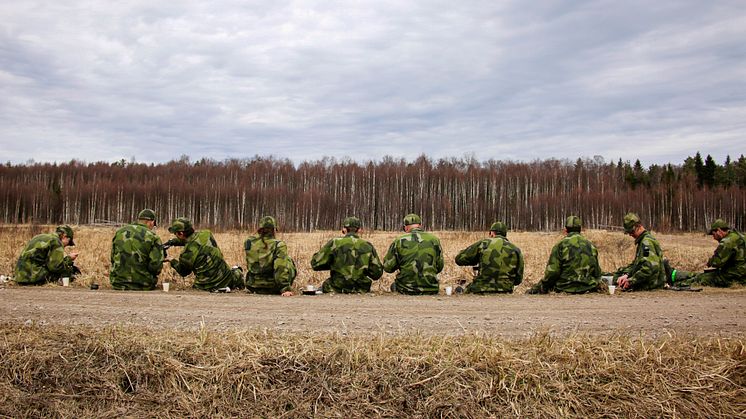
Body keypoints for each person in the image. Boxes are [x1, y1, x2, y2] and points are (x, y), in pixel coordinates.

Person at [527, 216, 602, 294]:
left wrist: (541, 287)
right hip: (588, 288)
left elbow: (552, 273)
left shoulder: (560, 245)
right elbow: (597, 273)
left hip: (564, 288)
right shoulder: (591, 246)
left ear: (565, 230)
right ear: (581, 229)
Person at [166, 217, 244, 291]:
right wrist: (172, 242)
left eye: (175, 233)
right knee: (237, 271)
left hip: (204, 286)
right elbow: (193, 240)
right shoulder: (207, 234)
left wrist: (171, 260)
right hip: (226, 279)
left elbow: (184, 272)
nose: (175, 235)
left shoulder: (186, 254)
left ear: (181, 233)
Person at [310, 216, 384, 293]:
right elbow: (377, 273)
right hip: (361, 288)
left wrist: (332, 264)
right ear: (359, 230)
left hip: (336, 287)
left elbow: (315, 264)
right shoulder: (367, 246)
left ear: (344, 229)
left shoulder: (335, 243)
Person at [455, 221, 524, 293]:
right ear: (505, 234)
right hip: (506, 290)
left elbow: (459, 259)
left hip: (480, 289)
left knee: (460, 290)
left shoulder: (484, 244)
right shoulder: (515, 250)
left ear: (492, 233)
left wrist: (476, 259)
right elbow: (518, 280)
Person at [383, 213, 444, 295]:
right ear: (420, 225)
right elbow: (439, 266)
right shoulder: (434, 240)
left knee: (393, 286)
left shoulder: (399, 241)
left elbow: (388, 267)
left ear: (406, 227)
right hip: (431, 288)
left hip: (405, 288)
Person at [109, 209, 164, 290]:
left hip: (118, 283)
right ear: (151, 222)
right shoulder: (153, 237)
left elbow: (113, 258)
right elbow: (155, 267)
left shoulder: (119, 232)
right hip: (144, 285)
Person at [682, 219, 746, 287]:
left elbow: (717, 262)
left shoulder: (727, 242)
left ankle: (678, 285)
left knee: (701, 278)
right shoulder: (741, 236)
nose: (714, 238)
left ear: (719, 231)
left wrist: (709, 262)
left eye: (713, 234)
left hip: (735, 277)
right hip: (742, 275)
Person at [612, 212, 666, 291]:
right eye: (629, 232)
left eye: (632, 232)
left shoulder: (646, 243)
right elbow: (637, 264)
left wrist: (631, 281)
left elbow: (648, 268)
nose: (630, 235)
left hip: (651, 285)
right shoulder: (643, 241)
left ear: (639, 226)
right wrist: (627, 275)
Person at [244, 216, 296, 296]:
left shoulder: (249, 242)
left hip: (252, 286)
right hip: (272, 287)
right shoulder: (278, 245)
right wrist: (285, 289)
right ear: (274, 230)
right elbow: (280, 268)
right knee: (288, 262)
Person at [15, 225, 79, 285]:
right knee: (69, 272)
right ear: (64, 236)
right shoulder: (56, 241)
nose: (66, 245)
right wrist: (69, 259)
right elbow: (56, 267)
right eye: (68, 241)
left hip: (20, 276)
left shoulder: (40, 236)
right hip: (32, 277)